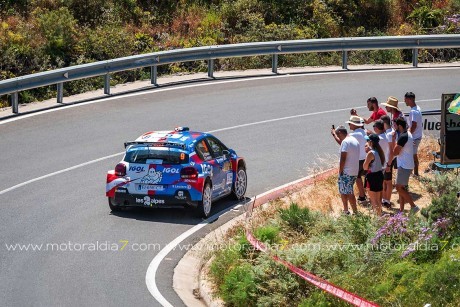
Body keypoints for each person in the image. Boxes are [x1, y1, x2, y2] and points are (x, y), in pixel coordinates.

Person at [331, 125, 360, 215]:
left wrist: (340, 170)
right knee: (344, 191)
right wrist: (334, 135)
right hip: (354, 170)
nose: (338, 137)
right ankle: (346, 210)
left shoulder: (345, 142)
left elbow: (343, 158)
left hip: (346, 171)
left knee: (348, 192)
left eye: (337, 135)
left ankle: (355, 212)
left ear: (340, 133)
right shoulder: (354, 140)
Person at [393, 117, 419, 213]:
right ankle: (401, 210)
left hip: (404, 165)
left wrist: (393, 141)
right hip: (405, 164)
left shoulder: (403, 136)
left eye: (395, 125)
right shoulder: (407, 134)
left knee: (398, 187)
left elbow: (395, 152)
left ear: (399, 126)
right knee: (401, 188)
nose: (394, 127)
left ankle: (413, 206)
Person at [345, 115, 367, 202]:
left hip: (358, 159)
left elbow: (343, 143)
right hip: (367, 157)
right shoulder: (364, 132)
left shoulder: (353, 135)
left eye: (350, 124)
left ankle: (362, 196)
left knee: (358, 178)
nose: (349, 125)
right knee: (366, 176)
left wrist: (335, 135)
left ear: (354, 125)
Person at [363, 134, 385, 216]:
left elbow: (365, 167)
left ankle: (378, 218)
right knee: (378, 199)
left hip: (372, 176)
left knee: (374, 199)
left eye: (367, 140)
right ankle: (379, 215)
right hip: (379, 175)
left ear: (371, 142)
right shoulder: (379, 151)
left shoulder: (371, 153)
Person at [404, 92, 423, 176]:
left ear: (410, 99)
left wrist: (408, 136)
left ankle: (416, 174)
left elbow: (414, 126)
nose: (405, 101)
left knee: (413, 155)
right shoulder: (417, 108)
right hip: (416, 136)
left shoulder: (414, 112)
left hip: (415, 137)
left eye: (406, 100)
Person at [380, 115, 395, 208]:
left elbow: (391, 150)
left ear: (384, 123)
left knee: (388, 181)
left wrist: (388, 164)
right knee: (385, 181)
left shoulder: (389, 134)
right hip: (388, 160)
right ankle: (385, 199)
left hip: (388, 161)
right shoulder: (391, 132)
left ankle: (387, 200)